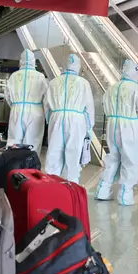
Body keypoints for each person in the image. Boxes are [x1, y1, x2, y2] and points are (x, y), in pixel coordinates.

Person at [96, 60, 138, 206]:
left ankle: (103, 189)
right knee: (130, 159)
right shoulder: (137, 89)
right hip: (131, 125)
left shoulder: (111, 88)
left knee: (113, 157)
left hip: (112, 124)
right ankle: (125, 195)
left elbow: (105, 107)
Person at [44, 53, 95, 184]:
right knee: (73, 152)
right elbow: (89, 107)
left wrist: (50, 120)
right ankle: (71, 186)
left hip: (57, 116)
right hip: (76, 119)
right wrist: (89, 127)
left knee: (54, 152)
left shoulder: (53, 82)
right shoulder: (84, 83)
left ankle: (50, 186)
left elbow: (46, 105)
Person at [6, 49, 48, 153]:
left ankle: (14, 166)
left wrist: (15, 106)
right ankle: (30, 167)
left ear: (21, 61)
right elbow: (46, 97)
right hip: (36, 110)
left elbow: (7, 96)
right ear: (34, 61)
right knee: (33, 142)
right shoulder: (40, 76)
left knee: (14, 141)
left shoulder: (13, 76)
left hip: (17, 109)